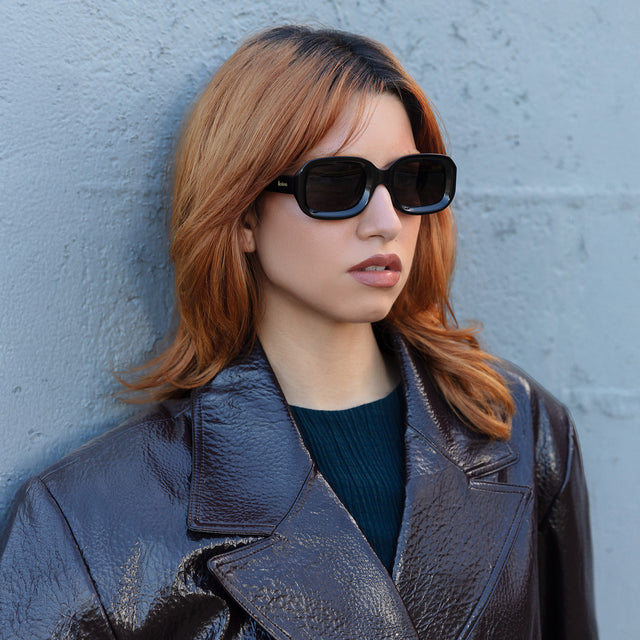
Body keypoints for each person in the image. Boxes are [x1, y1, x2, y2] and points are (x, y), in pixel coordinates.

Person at [0, 25, 597, 640]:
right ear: (242, 215)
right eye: (338, 185)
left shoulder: (518, 428)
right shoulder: (89, 521)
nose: (386, 222)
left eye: (412, 182)